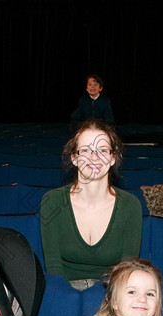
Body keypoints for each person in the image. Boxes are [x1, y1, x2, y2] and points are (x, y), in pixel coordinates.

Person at [40, 118, 142, 290]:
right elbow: (54, 268)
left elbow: (125, 272)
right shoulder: (53, 202)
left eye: (102, 150)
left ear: (112, 158)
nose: (94, 157)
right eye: (86, 150)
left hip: (110, 292)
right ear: (74, 157)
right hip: (64, 291)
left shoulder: (130, 205)